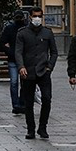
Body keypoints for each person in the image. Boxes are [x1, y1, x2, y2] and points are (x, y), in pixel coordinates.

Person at [14, 9, 58, 140]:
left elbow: (54, 52)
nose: (37, 19)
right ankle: (30, 129)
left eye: (39, 16)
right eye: (35, 16)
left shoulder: (47, 32)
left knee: (46, 99)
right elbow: (18, 52)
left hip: (43, 71)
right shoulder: (22, 33)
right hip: (28, 71)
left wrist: (50, 66)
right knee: (28, 102)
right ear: (30, 17)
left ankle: (42, 127)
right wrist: (21, 66)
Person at [0, 11, 27, 114]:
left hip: (25, 60)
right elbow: (1, 43)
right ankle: (16, 104)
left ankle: (22, 103)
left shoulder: (27, 28)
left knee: (24, 83)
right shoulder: (9, 28)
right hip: (13, 59)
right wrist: (10, 52)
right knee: (14, 82)